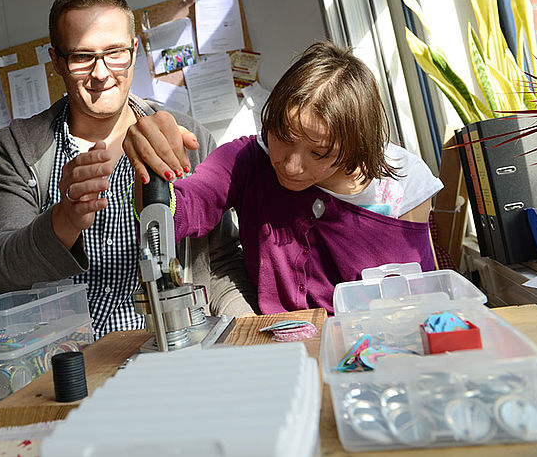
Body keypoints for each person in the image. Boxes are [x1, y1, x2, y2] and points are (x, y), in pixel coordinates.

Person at [0, 0, 256, 338]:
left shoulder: (188, 138)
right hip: (67, 361)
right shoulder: (18, 148)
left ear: (135, 50)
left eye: (114, 53)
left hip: (173, 349)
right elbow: (1, 267)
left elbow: (221, 264)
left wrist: (251, 335)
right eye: (82, 57)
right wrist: (63, 220)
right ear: (56, 61)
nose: (100, 73)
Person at [123, 41, 443, 314]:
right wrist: (152, 168)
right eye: (283, 136)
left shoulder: (403, 185)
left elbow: (419, 299)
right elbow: (182, 211)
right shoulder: (248, 160)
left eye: (319, 154)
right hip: (285, 346)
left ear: (355, 145)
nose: (290, 166)